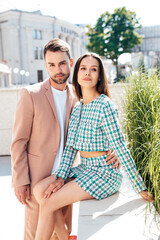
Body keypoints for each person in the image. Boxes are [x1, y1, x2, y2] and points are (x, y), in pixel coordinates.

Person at [33, 52, 154, 240]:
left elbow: (120, 147)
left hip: (104, 173)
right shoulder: (78, 108)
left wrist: (140, 187)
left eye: (93, 69)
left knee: (48, 203)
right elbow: (70, 149)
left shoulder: (105, 105)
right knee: (40, 190)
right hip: (84, 169)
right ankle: (66, 237)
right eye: (83, 68)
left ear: (99, 76)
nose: (87, 72)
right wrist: (59, 178)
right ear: (77, 74)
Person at [11, 39, 120, 240]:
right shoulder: (31, 94)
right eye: (51, 65)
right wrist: (20, 180)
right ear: (46, 66)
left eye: (61, 63)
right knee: (35, 232)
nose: (57, 70)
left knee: (62, 232)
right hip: (39, 177)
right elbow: (19, 141)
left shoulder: (78, 96)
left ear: (70, 63)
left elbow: (102, 129)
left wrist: (114, 151)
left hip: (68, 175)